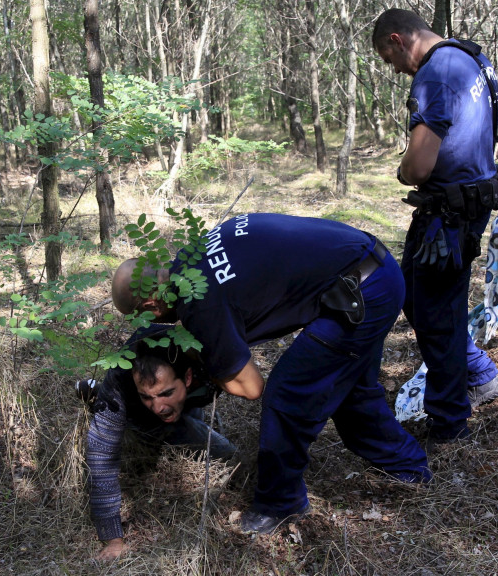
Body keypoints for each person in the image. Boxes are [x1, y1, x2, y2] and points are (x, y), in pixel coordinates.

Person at [111, 213, 431, 535]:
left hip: (362, 293)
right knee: (349, 390)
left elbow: (250, 387)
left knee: (288, 394)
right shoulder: (194, 255)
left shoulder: (199, 302)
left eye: (141, 317)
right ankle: (408, 468)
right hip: (373, 266)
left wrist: (209, 360)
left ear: (152, 303)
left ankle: (281, 502)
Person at [371, 8, 498, 442]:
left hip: (449, 214)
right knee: (413, 292)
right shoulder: (472, 59)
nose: (394, 70)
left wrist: (403, 170)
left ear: (398, 39)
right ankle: (479, 371)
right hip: (460, 206)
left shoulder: (434, 72)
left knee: (434, 311)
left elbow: (420, 164)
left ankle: (449, 420)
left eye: (389, 59)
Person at [83, 325, 237, 561]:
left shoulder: (211, 358)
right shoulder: (121, 380)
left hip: (191, 398)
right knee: (225, 453)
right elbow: (100, 453)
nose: (157, 406)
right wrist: (113, 539)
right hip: (142, 420)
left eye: (165, 393)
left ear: (186, 376)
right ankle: (101, 400)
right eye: (147, 396)